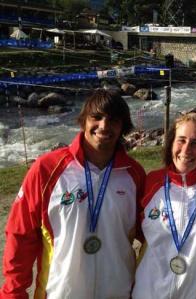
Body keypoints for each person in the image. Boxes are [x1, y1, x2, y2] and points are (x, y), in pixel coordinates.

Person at [1, 89, 145, 299]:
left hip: (119, 293)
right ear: (83, 121)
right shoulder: (47, 169)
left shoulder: (134, 174)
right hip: (60, 294)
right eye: (96, 117)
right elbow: (20, 236)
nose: (104, 126)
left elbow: (153, 235)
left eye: (113, 120)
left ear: (123, 126)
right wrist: (13, 293)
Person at [132, 113, 196, 299]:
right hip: (147, 293)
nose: (186, 150)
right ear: (171, 144)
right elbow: (134, 231)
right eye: (181, 140)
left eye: (195, 143)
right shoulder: (151, 182)